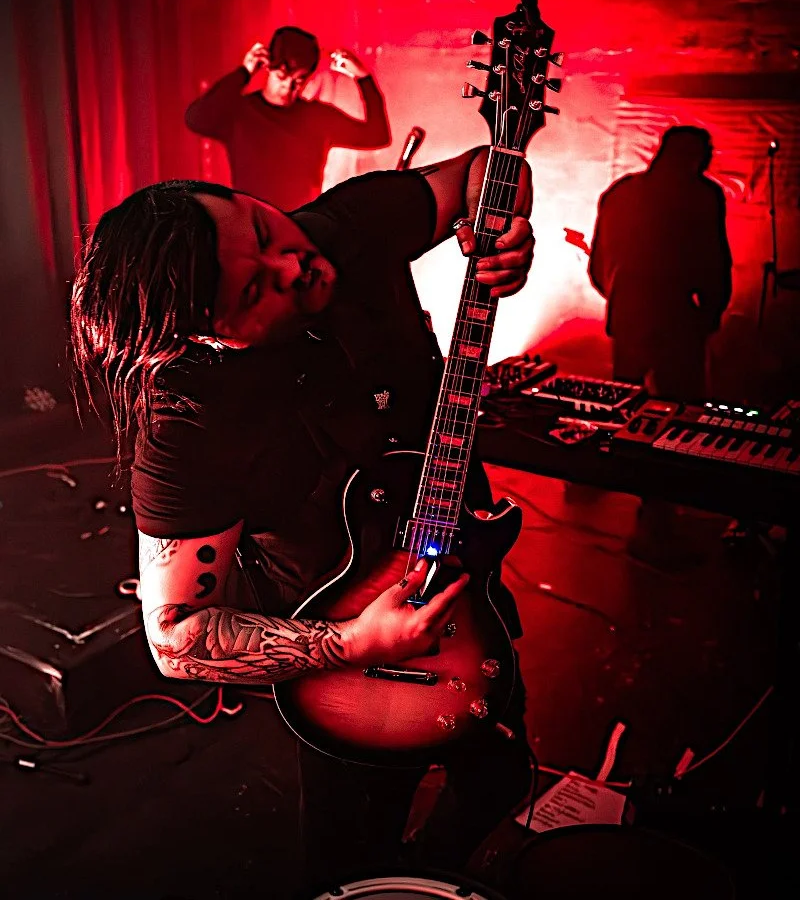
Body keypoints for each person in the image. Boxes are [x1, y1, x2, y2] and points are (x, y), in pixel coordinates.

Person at [70, 148, 535, 892]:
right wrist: (355, 640)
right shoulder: (189, 422)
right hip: (352, 666)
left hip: (466, 585)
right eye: (255, 288)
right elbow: (178, 638)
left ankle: (438, 874)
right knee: (355, 866)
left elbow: (483, 164)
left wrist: (508, 221)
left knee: (500, 779)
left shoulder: (336, 227)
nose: (294, 263)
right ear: (203, 339)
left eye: (260, 226)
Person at [589, 125, 732, 402]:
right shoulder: (703, 194)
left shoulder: (621, 191)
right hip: (680, 316)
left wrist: (620, 296)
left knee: (624, 402)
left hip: (629, 313)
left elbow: (599, 262)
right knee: (680, 405)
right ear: (697, 156)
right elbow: (714, 259)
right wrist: (711, 310)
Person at [184, 26, 391, 211]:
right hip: (254, 230)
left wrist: (364, 78)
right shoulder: (240, 113)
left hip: (301, 230)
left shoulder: (317, 118)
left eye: (299, 81)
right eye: (282, 78)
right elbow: (196, 119)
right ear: (268, 67)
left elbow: (377, 135)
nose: (288, 88)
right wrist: (243, 72)